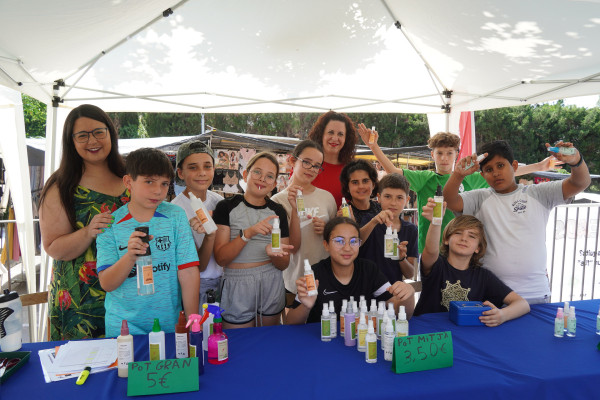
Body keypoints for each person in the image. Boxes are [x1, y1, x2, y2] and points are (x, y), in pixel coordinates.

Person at [358, 126, 560, 253]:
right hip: (433, 248)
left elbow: (506, 172)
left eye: (449, 153)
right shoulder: (424, 178)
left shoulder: (472, 177)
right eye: (439, 153)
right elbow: (393, 170)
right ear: (432, 155)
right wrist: (374, 147)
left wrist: (539, 167)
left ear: (457, 154)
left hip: (466, 248)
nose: (444, 158)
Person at [443, 140, 591, 303]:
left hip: (536, 293)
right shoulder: (480, 197)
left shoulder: (539, 192)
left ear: (514, 166)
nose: (496, 173)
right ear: (482, 175)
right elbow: (449, 200)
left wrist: (576, 161)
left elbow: (580, 182)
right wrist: (458, 175)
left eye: (500, 165)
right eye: (489, 169)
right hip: (491, 295)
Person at [39, 104, 129, 340]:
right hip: (81, 303)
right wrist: (88, 232)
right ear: (71, 141)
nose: (92, 141)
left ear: (111, 133)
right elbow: (53, 247)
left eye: (99, 132)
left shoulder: (132, 176)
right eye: (82, 135)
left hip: (129, 295)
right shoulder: (61, 186)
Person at [96, 148, 200, 337]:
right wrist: (129, 256)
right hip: (123, 327)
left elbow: (188, 271)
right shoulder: (109, 224)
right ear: (128, 182)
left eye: (164, 184)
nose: (157, 191)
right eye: (149, 181)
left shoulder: (175, 216)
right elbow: (107, 284)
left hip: (170, 323)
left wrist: (193, 319)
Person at [413, 201, 530, 326]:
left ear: (478, 248)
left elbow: (522, 304)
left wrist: (502, 315)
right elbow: (431, 251)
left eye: (472, 236)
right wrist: (435, 222)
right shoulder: (437, 265)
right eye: (458, 233)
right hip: (428, 332)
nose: (464, 238)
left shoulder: (484, 276)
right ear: (447, 239)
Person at [213, 152, 293, 329]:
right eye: (257, 172)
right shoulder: (226, 207)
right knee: (239, 346)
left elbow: (283, 264)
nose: (262, 179)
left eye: (270, 176)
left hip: (272, 281)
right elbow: (221, 258)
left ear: (274, 183)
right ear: (245, 174)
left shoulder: (278, 211)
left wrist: (274, 255)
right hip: (237, 284)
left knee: (268, 343)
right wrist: (247, 234)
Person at [286, 217, 415, 324]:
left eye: (353, 241)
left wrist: (408, 296)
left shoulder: (369, 269)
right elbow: (290, 323)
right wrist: (305, 306)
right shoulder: (314, 274)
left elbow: (400, 311)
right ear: (326, 245)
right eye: (339, 241)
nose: (347, 248)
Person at [271, 140, 337, 307]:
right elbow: (285, 247)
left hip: (326, 279)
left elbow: (338, 240)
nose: (311, 169)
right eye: (306, 162)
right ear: (292, 161)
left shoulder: (327, 198)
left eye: (316, 166)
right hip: (294, 282)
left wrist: (328, 230)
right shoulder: (277, 202)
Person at [171, 141, 224, 308]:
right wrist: (210, 235)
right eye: (193, 167)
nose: (202, 173)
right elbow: (198, 266)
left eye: (207, 166)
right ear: (180, 172)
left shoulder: (219, 201)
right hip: (195, 287)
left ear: (214, 170)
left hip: (223, 281)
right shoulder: (175, 210)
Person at [359, 173, 418, 282]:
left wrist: (401, 258)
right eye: (387, 196)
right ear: (379, 197)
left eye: (399, 197)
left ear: (407, 200)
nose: (393, 203)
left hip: (392, 290)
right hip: (365, 288)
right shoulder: (369, 220)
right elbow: (356, 242)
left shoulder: (411, 230)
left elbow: (410, 274)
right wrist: (374, 222)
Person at [308, 111, 358, 207]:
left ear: (346, 138)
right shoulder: (306, 166)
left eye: (340, 134)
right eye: (330, 132)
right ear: (321, 134)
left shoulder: (352, 170)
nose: (335, 138)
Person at [339, 159, 379, 225]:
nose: (361, 186)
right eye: (355, 182)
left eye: (365, 181)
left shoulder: (381, 210)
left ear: (373, 185)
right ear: (347, 187)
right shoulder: (344, 214)